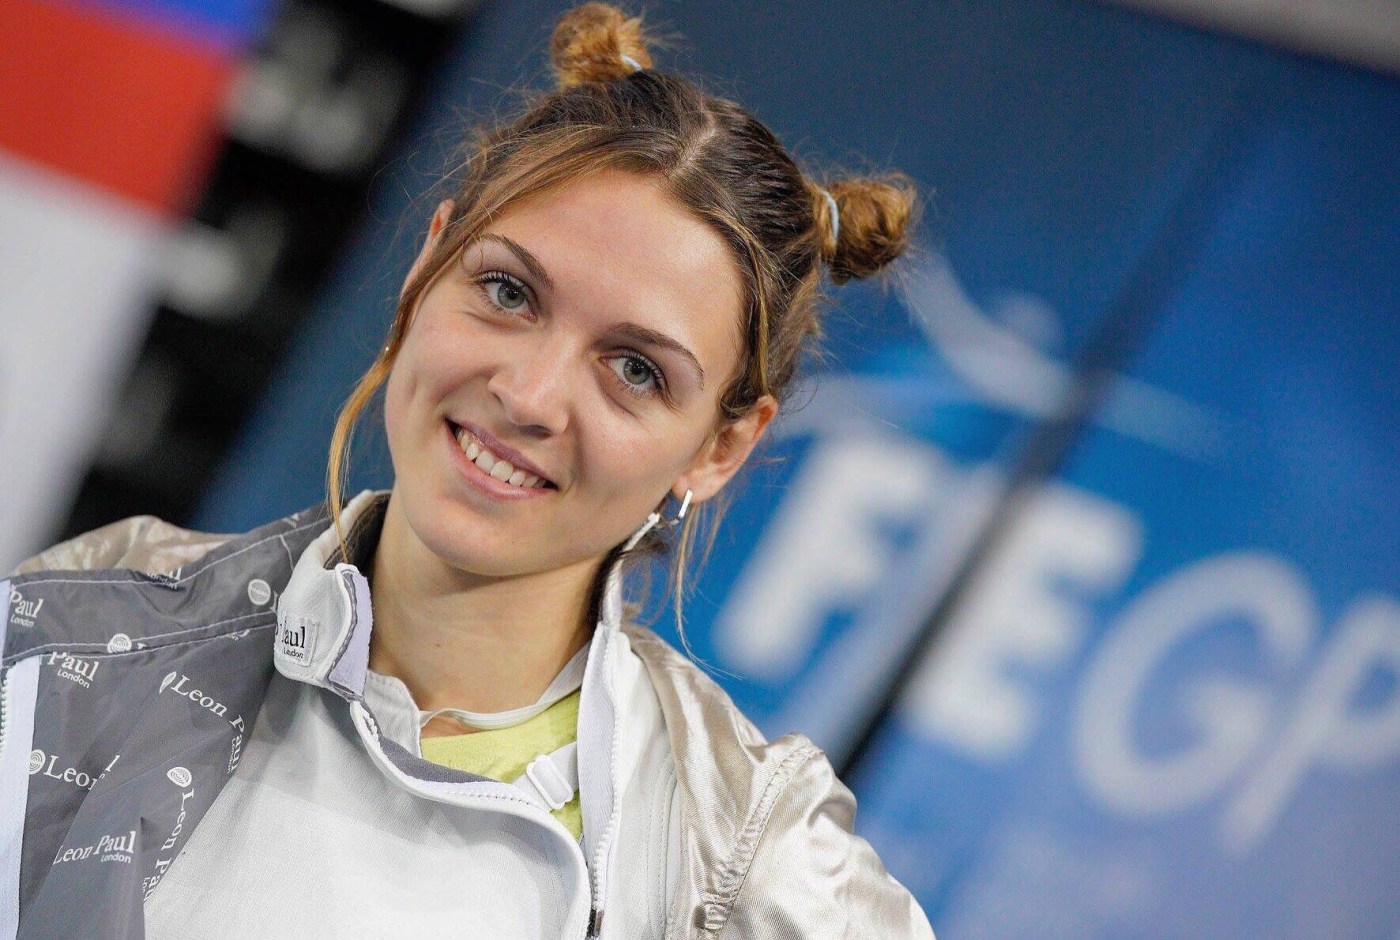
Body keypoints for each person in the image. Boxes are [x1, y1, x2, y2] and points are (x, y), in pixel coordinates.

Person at [0, 4, 932, 937]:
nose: (529, 395)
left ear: (718, 448)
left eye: (636, 370)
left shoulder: (748, 861)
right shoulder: (104, 613)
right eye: (507, 292)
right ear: (425, 268)